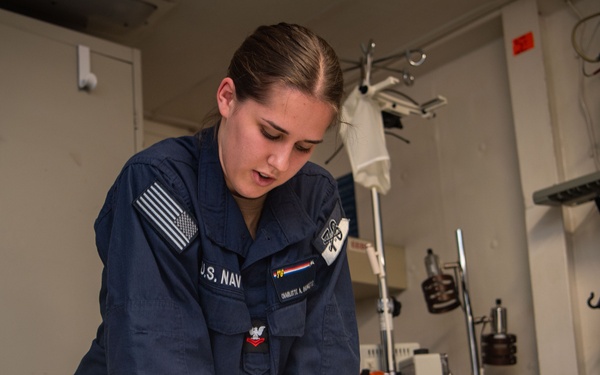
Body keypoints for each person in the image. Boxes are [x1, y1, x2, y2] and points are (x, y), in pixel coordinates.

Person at [74, 22, 360, 375]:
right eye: (270, 134)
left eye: (303, 147)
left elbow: (327, 354)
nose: (281, 163)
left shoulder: (317, 201)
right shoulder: (159, 188)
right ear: (227, 97)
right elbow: (158, 356)